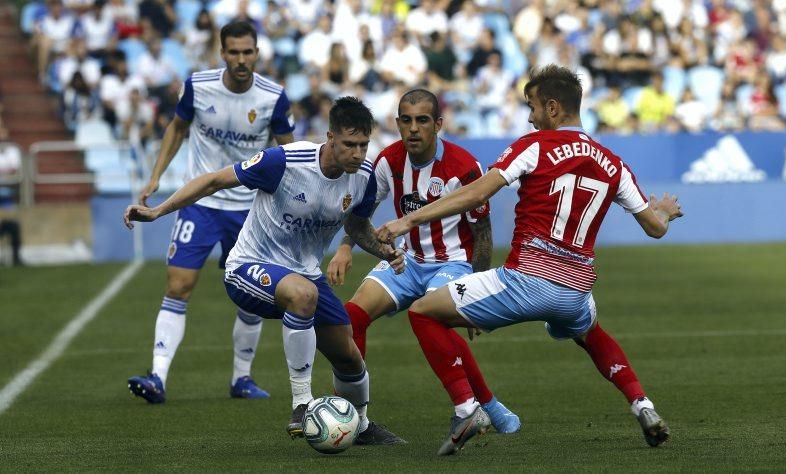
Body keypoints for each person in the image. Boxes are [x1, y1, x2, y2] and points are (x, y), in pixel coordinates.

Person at [376, 65, 683, 455]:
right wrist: (667, 212)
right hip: (575, 289)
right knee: (591, 333)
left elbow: (476, 194)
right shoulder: (613, 163)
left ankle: (468, 408)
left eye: (533, 107)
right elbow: (655, 227)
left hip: (524, 280)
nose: (529, 116)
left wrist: (409, 219)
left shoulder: (534, 145)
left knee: (422, 311)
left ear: (553, 108)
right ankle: (643, 406)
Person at [124, 96, 406, 445]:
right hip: (248, 267)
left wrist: (384, 250)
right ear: (330, 137)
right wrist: (157, 212)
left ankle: (360, 424)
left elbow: (359, 226)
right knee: (304, 295)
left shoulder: (363, 177)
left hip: (305, 273)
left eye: (364, 144)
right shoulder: (284, 161)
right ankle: (302, 404)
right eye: (350, 144)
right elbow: (213, 180)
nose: (358, 153)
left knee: (348, 355)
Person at [326, 89, 520, 434]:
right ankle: (354, 417)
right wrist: (347, 246)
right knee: (350, 317)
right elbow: (359, 217)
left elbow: (483, 234)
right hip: (409, 260)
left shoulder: (464, 167)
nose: (413, 128)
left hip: (453, 263)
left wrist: (476, 290)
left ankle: (483, 405)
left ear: (438, 124)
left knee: (432, 318)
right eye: (406, 120)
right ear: (397, 123)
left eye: (422, 120)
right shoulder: (387, 162)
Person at [127, 21, 295, 404]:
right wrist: (155, 178)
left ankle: (242, 378)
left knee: (253, 294)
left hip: (251, 209)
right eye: (233, 52)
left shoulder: (274, 97)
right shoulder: (198, 85)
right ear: (222, 53)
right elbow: (177, 129)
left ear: (257, 53)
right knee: (178, 285)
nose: (241, 59)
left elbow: (290, 152)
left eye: (247, 52)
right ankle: (158, 377)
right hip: (199, 202)